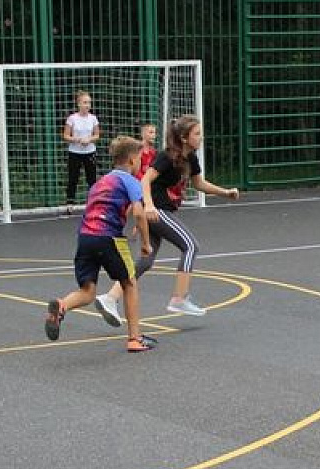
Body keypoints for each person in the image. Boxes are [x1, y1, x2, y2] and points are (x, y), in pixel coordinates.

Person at [94, 115, 239, 324]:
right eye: (197, 133)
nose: (201, 137)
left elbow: (200, 184)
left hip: (156, 211)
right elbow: (145, 179)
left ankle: (109, 298)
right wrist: (150, 205)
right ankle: (179, 298)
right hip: (156, 210)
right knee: (190, 245)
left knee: (145, 261)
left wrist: (225, 193)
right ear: (184, 137)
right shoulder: (167, 156)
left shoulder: (190, 158)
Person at [45, 136, 155, 353]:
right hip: (108, 237)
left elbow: (107, 207)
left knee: (87, 291)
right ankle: (134, 338)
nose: (142, 163)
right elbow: (140, 213)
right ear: (132, 160)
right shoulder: (130, 181)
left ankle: (62, 306)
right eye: (141, 159)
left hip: (85, 237)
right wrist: (145, 243)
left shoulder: (101, 182)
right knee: (129, 283)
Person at [63, 90, 101, 210]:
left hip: (90, 152)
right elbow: (66, 136)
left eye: (89, 103)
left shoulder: (93, 118)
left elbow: (97, 135)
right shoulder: (72, 118)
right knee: (73, 177)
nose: (87, 105)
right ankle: (70, 203)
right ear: (78, 104)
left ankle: (94, 202)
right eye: (85, 102)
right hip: (75, 152)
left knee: (92, 179)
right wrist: (77, 139)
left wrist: (89, 140)